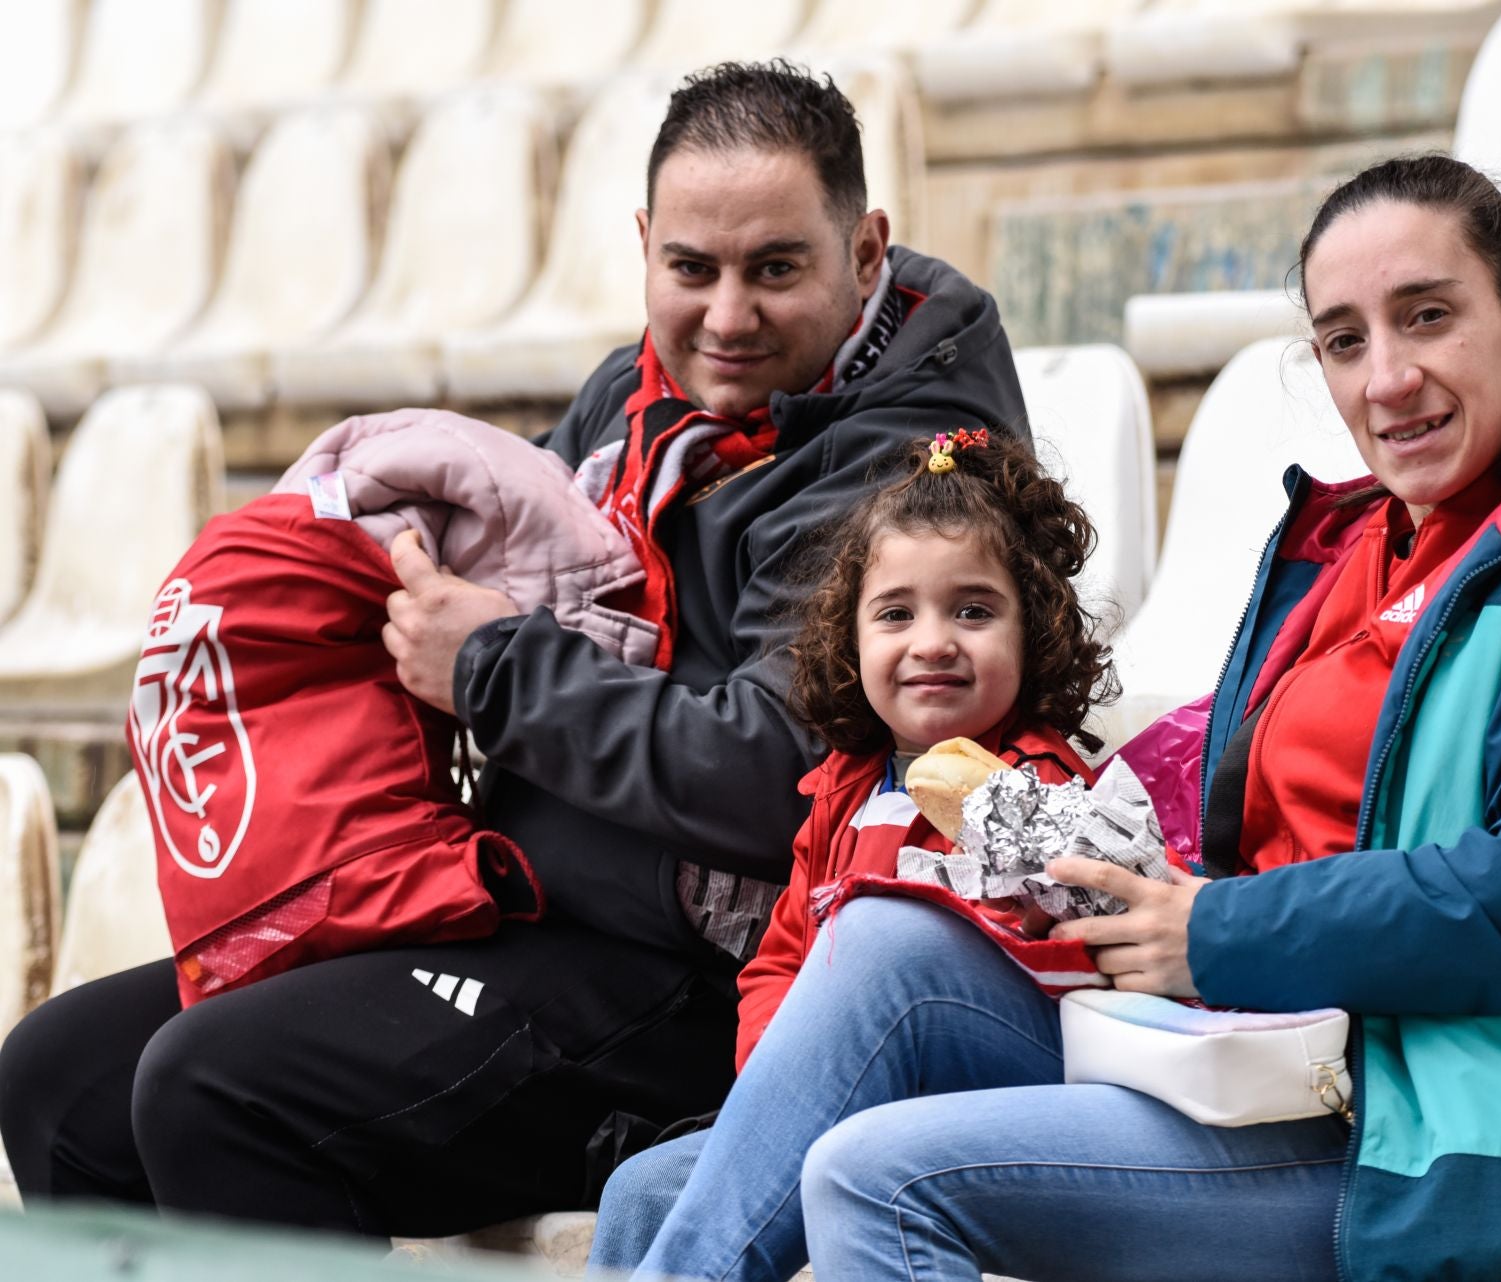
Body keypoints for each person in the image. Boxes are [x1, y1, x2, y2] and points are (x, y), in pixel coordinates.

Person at [605, 153, 1501, 1282]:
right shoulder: (1358, 541)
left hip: (1447, 1126)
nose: (1387, 379)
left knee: (871, 1176)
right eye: (1344, 339)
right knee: (674, 1167)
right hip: (1268, 1051)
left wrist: (1215, 932)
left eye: (1428, 316)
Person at [0, 61, 1027, 1237]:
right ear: (645, 246)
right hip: (535, 903)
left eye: (776, 270)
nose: (727, 315)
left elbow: (774, 774)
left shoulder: (914, 466)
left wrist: (490, 667)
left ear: (864, 251)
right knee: (57, 1077)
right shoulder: (643, 394)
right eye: (690, 269)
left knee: (217, 1085)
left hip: (715, 987)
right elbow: (492, 564)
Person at [590, 427, 1115, 1270]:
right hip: (841, 1097)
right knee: (644, 1187)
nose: (933, 641)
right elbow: (780, 964)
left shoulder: (1043, 786)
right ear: (852, 638)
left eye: (974, 611)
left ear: (1035, 632)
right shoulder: (841, 791)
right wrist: (785, 1085)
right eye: (896, 613)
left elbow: (1071, 960)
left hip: (987, 1098)